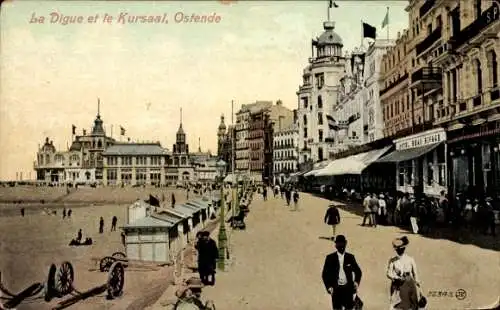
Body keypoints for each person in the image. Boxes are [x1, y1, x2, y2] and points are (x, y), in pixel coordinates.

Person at [322, 235, 362, 310]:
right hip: (336, 290)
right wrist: (329, 287)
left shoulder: (350, 257)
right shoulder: (330, 258)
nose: (341, 247)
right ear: (336, 246)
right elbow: (325, 274)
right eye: (339, 245)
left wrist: (356, 282)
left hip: (348, 290)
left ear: (346, 244)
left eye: (343, 244)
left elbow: (358, 271)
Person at [386, 236, 421, 310]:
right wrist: (396, 277)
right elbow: (388, 273)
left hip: (408, 284)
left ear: (404, 249)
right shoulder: (393, 260)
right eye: (398, 249)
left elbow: (415, 275)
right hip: (397, 285)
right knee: (396, 306)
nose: (399, 251)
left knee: (411, 306)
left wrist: (418, 286)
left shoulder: (410, 259)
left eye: (401, 249)